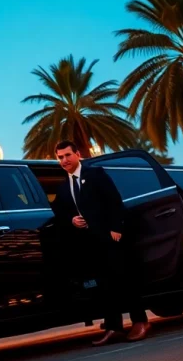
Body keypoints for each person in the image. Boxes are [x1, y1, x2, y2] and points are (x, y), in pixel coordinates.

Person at [51, 140, 151, 345]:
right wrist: (71, 219)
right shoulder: (63, 186)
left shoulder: (95, 174)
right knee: (105, 286)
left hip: (110, 237)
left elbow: (114, 201)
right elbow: (59, 210)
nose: (64, 160)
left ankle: (140, 321)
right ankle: (114, 327)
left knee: (124, 280)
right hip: (90, 243)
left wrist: (116, 228)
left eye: (68, 155)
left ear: (77, 154)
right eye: (60, 157)